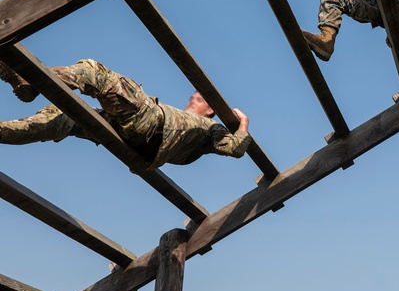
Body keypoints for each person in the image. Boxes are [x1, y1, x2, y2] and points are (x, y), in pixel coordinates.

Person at [0, 59, 251, 171]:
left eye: (198, 99)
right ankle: (4, 131)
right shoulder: (187, 126)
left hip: (151, 125)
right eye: (192, 96)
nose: (191, 99)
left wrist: (242, 124)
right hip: (132, 139)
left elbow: (235, 149)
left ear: (210, 110)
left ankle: (29, 80)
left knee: (95, 72)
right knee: (64, 116)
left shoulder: (211, 129)